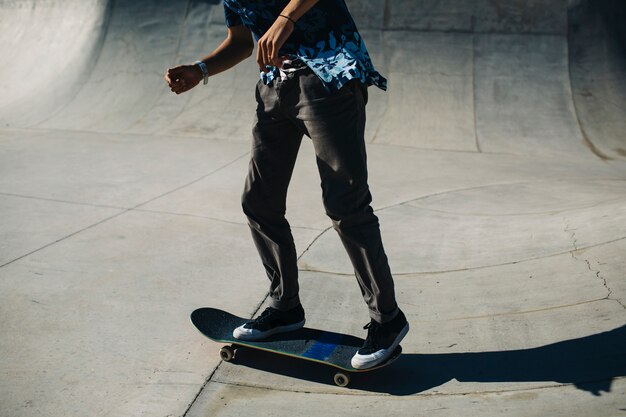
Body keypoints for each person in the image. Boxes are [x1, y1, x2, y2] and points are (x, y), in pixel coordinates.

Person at [165, 0, 408, 369]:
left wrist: (286, 18)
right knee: (259, 200)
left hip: (329, 77)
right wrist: (201, 69)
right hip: (275, 87)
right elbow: (242, 42)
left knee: (346, 205)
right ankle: (285, 307)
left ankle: (387, 319)